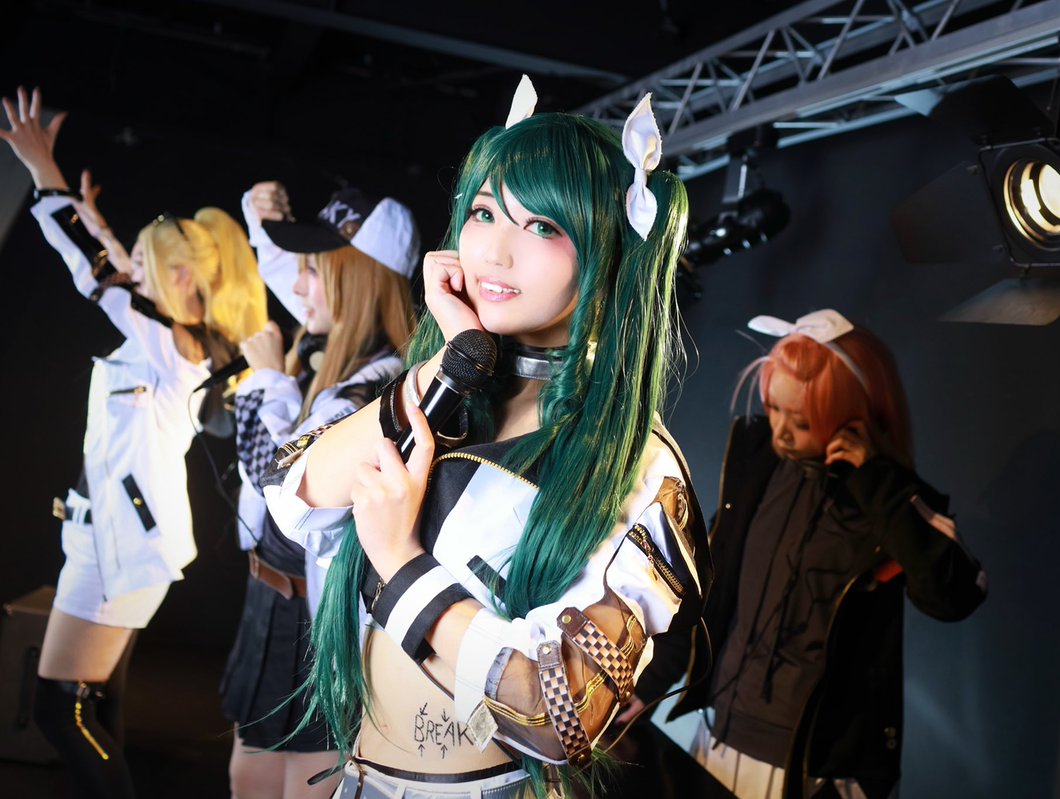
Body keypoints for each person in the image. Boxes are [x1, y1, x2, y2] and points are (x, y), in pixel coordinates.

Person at [261, 77, 711, 798]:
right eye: (484, 212)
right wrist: (452, 355)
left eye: (543, 227)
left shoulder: (633, 464)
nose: (495, 252)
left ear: (608, 253)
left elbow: (561, 716)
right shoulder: (451, 391)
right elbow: (292, 501)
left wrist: (399, 562)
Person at [0, 86, 267, 798]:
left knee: (60, 708)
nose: (131, 271)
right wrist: (96, 221)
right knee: (93, 704)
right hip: (120, 537)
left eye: (145, 264)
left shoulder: (173, 345)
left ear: (178, 277)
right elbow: (118, 267)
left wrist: (44, 173)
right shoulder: (181, 340)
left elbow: (94, 270)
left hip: (122, 546)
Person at [630, 309, 988, 799]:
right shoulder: (758, 464)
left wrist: (879, 484)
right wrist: (652, 681)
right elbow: (709, 590)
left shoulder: (889, 500)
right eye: (774, 409)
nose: (780, 431)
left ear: (851, 415)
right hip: (719, 737)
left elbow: (954, 595)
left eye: (800, 420)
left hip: (816, 766)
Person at [222, 180, 419, 799]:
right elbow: (298, 282)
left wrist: (270, 382)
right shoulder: (340, 349)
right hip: (276, 605)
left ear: (355, 282)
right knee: (247, 783)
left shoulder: (373, 393)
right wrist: (262, 222)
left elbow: (280, 498)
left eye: (315, 271)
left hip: (318, 629)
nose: (298, 286)